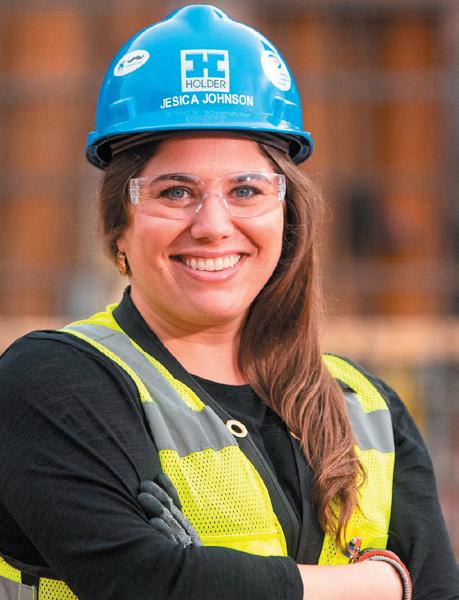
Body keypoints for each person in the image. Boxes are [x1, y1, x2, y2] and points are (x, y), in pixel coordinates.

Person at [0, 5, 457, 600]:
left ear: (287, 217)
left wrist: (211, 574)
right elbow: (146, 586)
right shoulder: (51, 383)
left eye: (246, 190)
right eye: (174, 192)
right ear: (119, 226)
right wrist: (380, 583)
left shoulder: (369, 410)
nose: (213, 225)